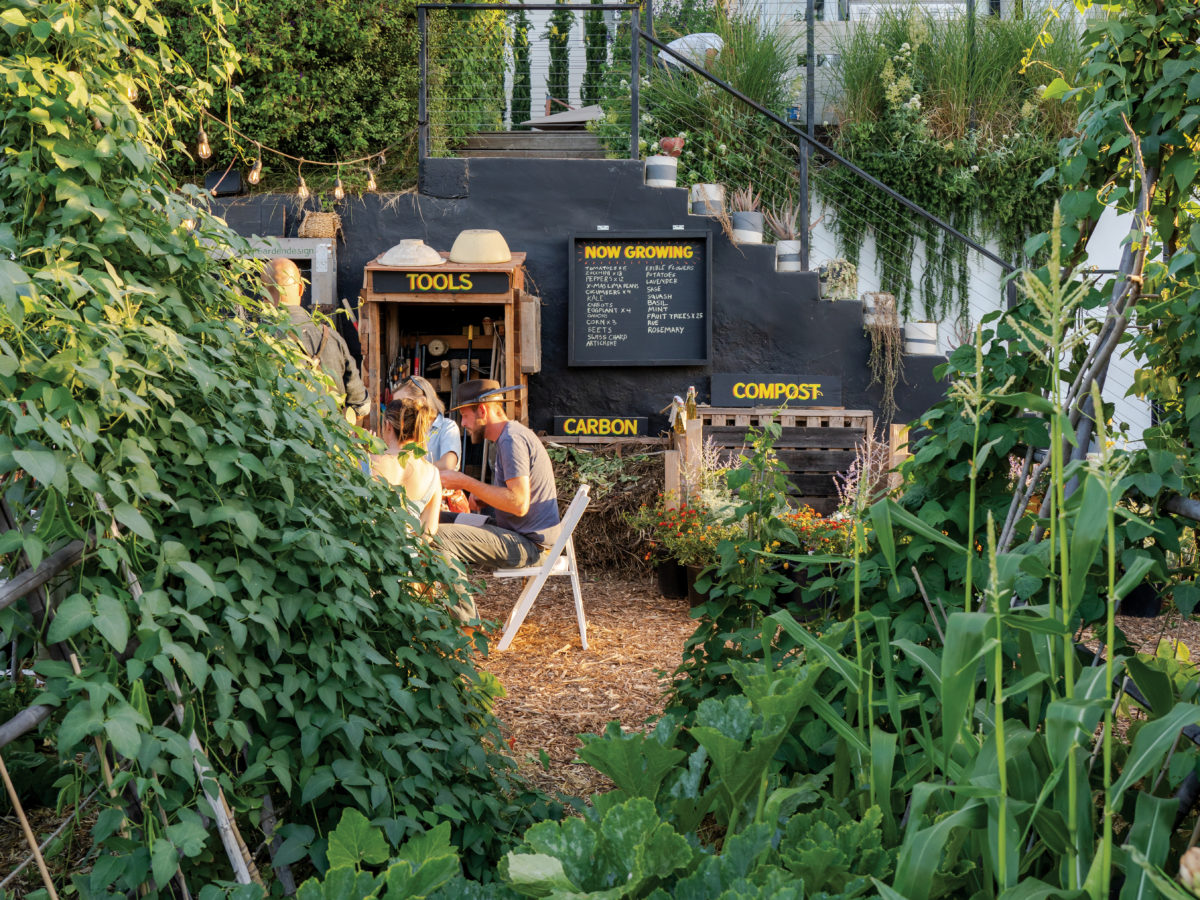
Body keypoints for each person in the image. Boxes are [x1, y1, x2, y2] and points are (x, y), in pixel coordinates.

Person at [436, 380, 561, 624]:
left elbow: (519, 503)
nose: (463, 424)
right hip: (515, 532)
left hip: (529, 546)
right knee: (435, 519)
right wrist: (484, 497)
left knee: (436, 536)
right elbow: (515, 496)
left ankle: (466, 627)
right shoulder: (509, 435)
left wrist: (467, 482)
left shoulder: (510, 441)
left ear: (482, 411)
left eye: (465, 416)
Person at [262, 257, 369, 423]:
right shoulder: (333, 338)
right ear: (300, 289)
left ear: (264, 294)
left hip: (282, 444)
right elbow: (361, 405)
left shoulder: (261, 340)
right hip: (331, 443)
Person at [369, 396, 440, 535]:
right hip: (409, 554)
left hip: (371, 551)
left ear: (388, 425)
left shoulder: (370, 462)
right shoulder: (433, 474)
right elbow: (429, 533)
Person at [394, 375, 461, 471]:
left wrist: (413, 472)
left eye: (402, 404)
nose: (398, 410)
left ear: (422, 401)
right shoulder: (403, 429)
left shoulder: (447, 427)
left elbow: (447, 465)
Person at [658, 32, 722, 72]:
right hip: (671, 57)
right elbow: (710, 53)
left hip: (672, 58)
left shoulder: (719, 59)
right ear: (731, 51)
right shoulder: (719, 40)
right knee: (673, 90)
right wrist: (707, 75)